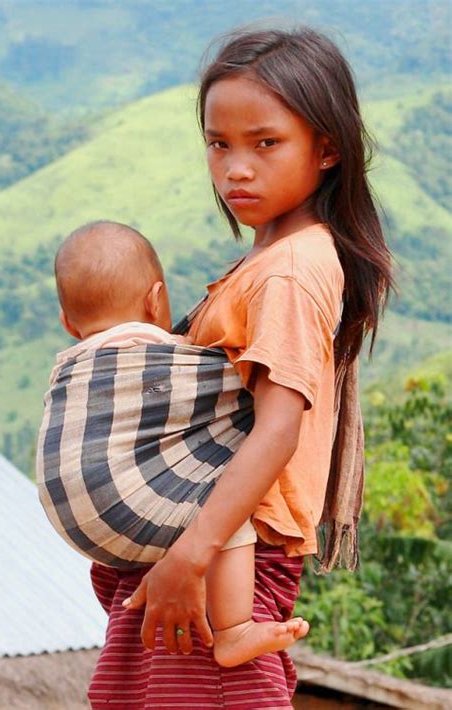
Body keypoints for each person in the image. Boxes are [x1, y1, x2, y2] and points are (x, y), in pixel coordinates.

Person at [88, 27, 393, 708]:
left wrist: (193, 553)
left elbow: (278, 428)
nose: (236, 169)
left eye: (265, 143)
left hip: (227, 558)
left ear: (328, 148)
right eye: (218, 144)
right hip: (213, 549)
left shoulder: (288, 271)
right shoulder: (270, 261)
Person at [40, 219, 309, 668]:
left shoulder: (73, 366)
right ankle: (234, 631)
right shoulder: (154, 352)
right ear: (156, 299)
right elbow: (231, 384)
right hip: (126, 503)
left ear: (68, 323)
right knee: (228, 506)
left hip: (70, 514)